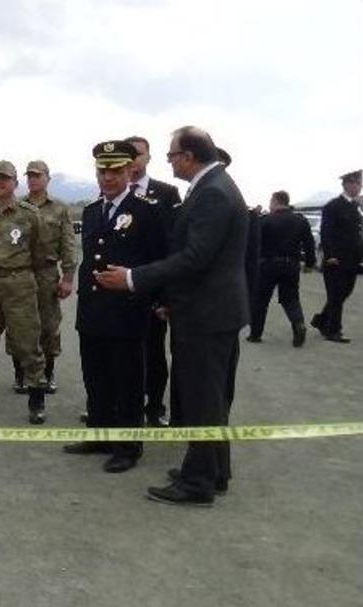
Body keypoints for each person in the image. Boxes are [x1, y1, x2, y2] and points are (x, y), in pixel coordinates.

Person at [96, 126, 249, 507]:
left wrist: (133, 278)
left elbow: (196, 257)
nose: (170, 162)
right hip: (209, 311)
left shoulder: (212, 192)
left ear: (189, 156)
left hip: (207, 315)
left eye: (171, 155)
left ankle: (198, 483)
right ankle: (214, 470)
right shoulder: (215, 186)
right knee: (212, 398)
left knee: (202, 399)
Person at [64, 141, 166, 473]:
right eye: (102, 171)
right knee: (96, 378)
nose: (108, 178)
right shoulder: (93, 211)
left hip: (127, 312)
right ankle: (100, 434)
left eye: (115, 171)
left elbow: (158, 261)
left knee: (128, 381)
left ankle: (128, 445)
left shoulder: (147, 210)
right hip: (92, 312)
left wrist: (157, 300)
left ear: (128, 171)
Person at [0, 159, 50, 424]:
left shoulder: (29, 215)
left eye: (5, 178)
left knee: (27, 342)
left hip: (20, 284)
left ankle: (36, 398)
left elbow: (40, 253)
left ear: (15, 183)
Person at [125, 135, 183, 428]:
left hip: (151, 289)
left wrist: (166, 296)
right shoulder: (112, 190)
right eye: (129, 154)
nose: (134, 159)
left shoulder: (167, 193)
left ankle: (154, 406)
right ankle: (120, 406)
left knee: (153, 352)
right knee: (119, 353)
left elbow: (173, 247)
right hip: (119, 288)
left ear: (148, 158)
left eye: (139, 154)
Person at [9, 160, 76, 395]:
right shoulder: (16, 206)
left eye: (37, 175)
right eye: (29, 176)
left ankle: (47, 374)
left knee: (48, 326)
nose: (33, 179)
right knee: (18, 325)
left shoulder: (59, 208)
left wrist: (68, 277)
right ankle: (21, 375)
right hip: (20, 273)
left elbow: (68, 244)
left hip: (47, 273)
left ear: (48, 178)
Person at [248, 191, 316, 346]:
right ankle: (298, 324)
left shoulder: (265, 221)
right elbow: (309, 243)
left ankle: (255, 334)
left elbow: (255, 243)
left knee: (260, 300)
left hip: (268, 264)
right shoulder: (300, 220)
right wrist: (309, 263)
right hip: (291, 264)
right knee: (290, 298)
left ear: (275, 201)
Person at [311, 170, 362, 343]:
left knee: (343, 293)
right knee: (336, 295)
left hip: (352, 260)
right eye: (358, 183)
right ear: (348, 184)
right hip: (336, 260)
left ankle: (321, 320)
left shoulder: (355, 207)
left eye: (360, 184)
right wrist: (330, 255)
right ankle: (333, 331)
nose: (360, 187)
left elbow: (356, 235)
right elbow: (326, 232)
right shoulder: (333, 206)